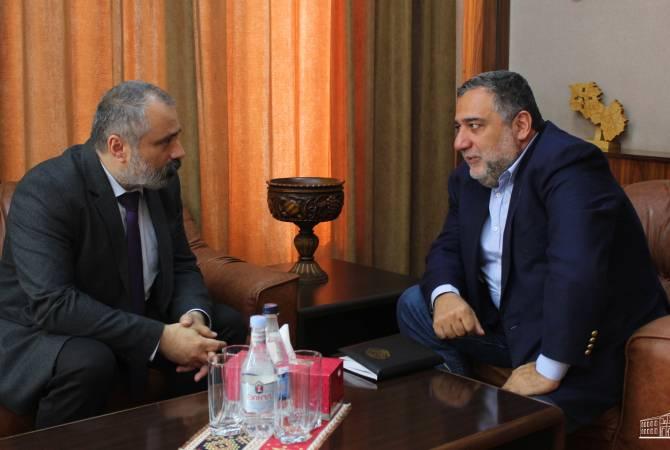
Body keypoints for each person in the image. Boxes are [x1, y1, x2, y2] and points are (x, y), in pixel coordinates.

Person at [397, 70, 668, 429]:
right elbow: (447, 245)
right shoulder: (469, 176)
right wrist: (446, 295)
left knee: (520, 427)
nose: (460, 142)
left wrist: (548, 368)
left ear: (521, 125)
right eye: (458, 128)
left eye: (474, 126)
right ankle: (463, 416)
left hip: (580, 339)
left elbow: (575, 270)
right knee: (415, 304)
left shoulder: (572, 165)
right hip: (510, 324)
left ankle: (489, 423)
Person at [0, 81, 246, 428]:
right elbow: (53, 304)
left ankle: (184, 434)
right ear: (118, 147)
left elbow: (181, 264)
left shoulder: (161, 180)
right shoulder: (46, 190)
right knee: (90, 361)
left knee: (222, 327)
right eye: (164, 142)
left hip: (132, 307)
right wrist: (161, 338)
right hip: (45, 327)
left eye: (176, 137)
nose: (179, 152)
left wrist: (194, 320)